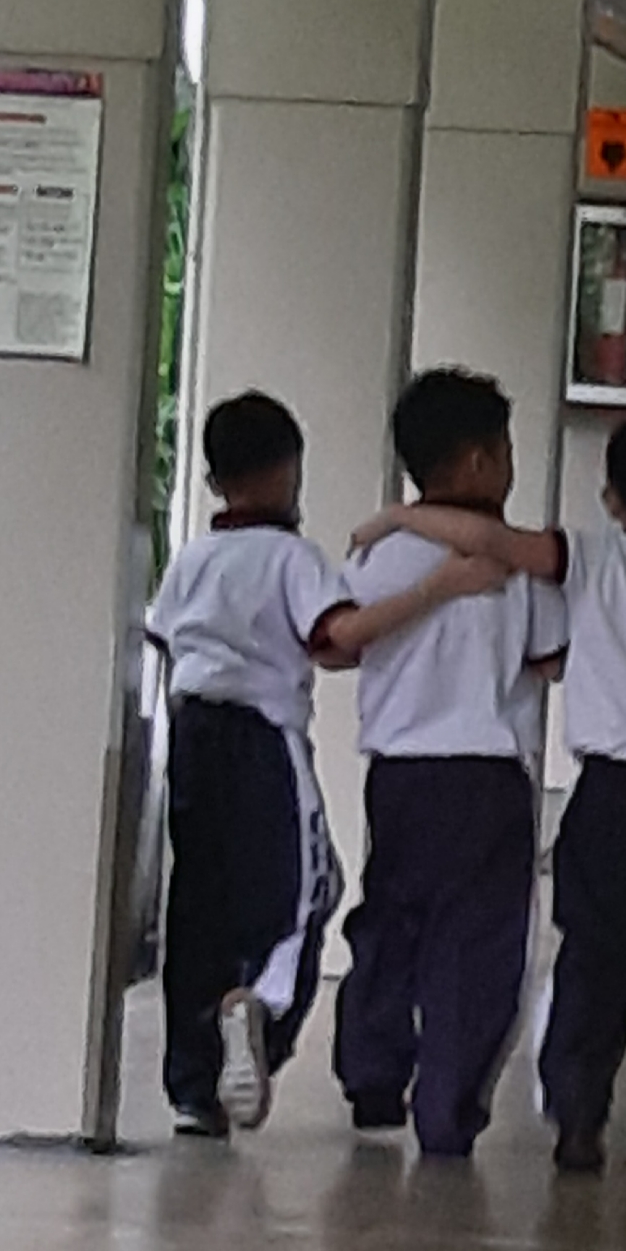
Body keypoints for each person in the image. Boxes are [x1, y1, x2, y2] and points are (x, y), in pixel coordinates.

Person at [355, 411, 626, 1175]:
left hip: (606, 792)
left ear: (610, 498)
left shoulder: (589, 559)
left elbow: (491, 540)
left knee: (592, 948)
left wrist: (400, 517)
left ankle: (576, 1107)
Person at [145, 391, 505, 1141]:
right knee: (309, 893)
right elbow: (338, 637)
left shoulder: (193, 558)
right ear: (290, 470)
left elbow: (164, 636)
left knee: (199, 903)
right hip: (264, 741)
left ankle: (192, 1085)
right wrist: (435, 588)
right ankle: (263, 1011)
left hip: (191, 734)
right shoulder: (292, 557)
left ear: (212, 480)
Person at [332, 369, 568, 1160]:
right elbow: (549, 660)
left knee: (391, 918)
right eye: (505, 451)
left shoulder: (381, 554)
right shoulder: (516, 565)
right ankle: (447, 1105)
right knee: (477, 946)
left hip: (398, 774)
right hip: (485, 779)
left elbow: (339, 638)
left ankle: (372, 1075)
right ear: (476, 462)